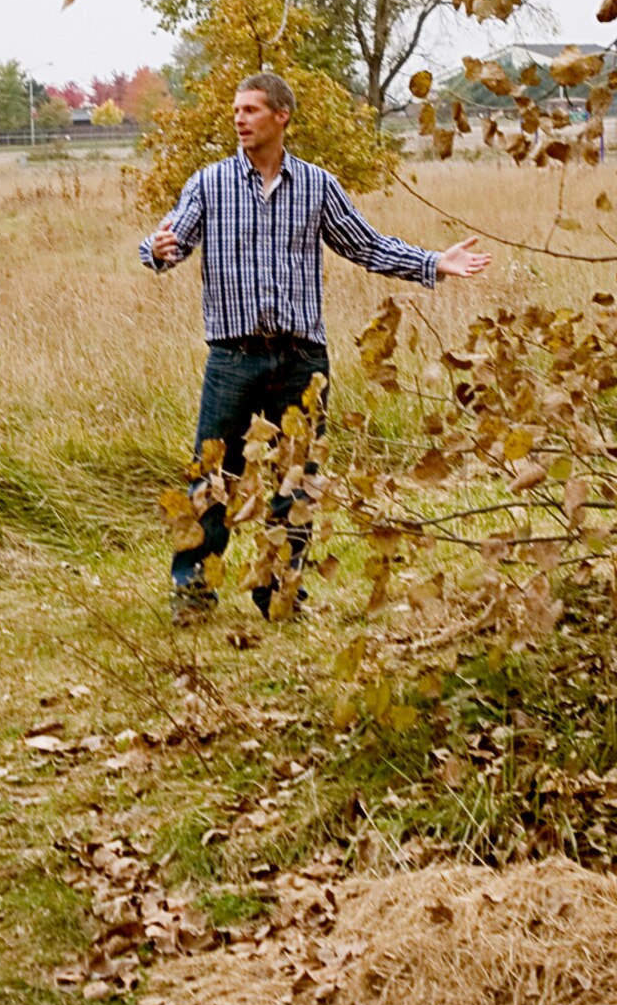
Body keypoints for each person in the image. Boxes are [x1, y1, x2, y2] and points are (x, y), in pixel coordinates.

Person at [140, 72, 490, 621]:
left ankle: (279, 593)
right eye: (237, 110)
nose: (240, 118)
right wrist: (158, 249)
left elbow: (367, 245)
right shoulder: (208, 184)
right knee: (212, 476)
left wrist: (433, 263)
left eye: (252, 109)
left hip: (303, 359)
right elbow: (170, 242)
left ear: (281, 116)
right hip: (233, 356)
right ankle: (193, 592)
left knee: (297, 480)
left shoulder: (318, 186)